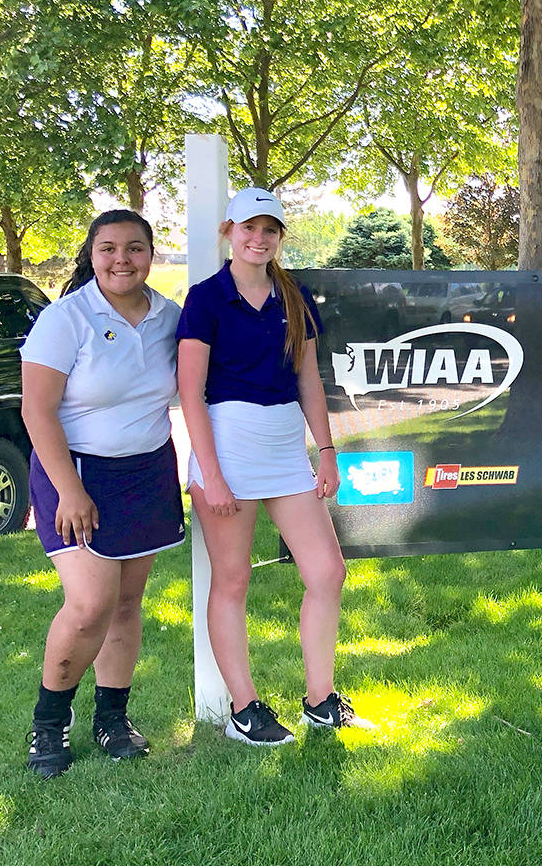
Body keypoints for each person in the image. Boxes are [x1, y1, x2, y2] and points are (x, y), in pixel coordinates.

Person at [177, 187, 369, 745]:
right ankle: (245, 709)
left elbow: (309, 380)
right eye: (247, 228)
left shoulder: (294, 296)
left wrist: (326, 451)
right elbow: (190, 392)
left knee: (327, 572)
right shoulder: (206, 298)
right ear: (229, 232)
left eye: (269, 230)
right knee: (232, 580)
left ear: (280, 237)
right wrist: (211, 473)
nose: (257, 239)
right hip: (227, 448)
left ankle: (320, 700)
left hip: (285, 449)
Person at [22, 210, 185, 777]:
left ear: (151, 254)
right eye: (109, 248)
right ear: (91, 254)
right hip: (79, 474)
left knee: (124, 604)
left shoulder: (171, 316)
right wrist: (69, 490)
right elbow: (36, 411)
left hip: (147, 470)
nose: (122, 260)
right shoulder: (65, 319)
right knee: (89, 604)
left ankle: (112, 717)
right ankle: (49, 724)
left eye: (135, 248)